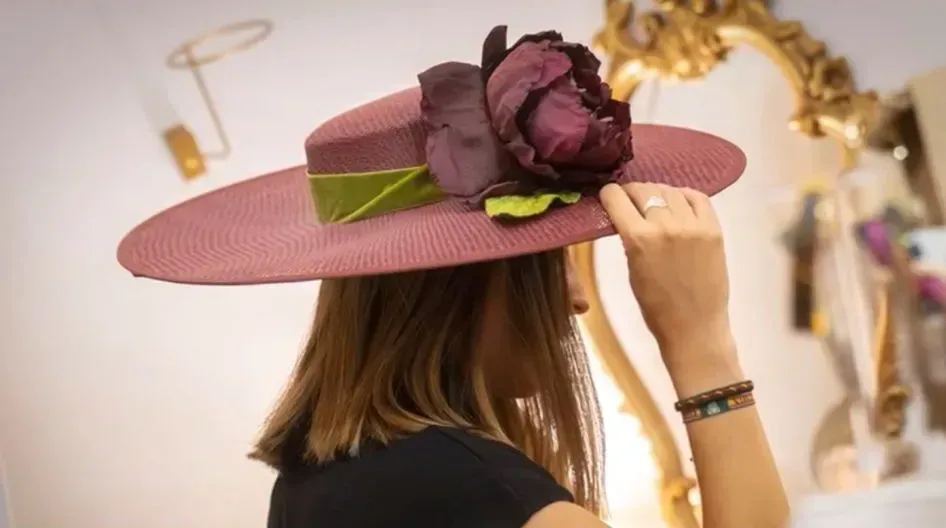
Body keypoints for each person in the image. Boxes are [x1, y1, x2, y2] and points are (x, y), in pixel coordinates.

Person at [117, 26, 788, 528]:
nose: (578, 299)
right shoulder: (473, 493)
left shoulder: (321, 478)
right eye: (547, 262)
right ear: (461, 284)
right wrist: (703, 344)